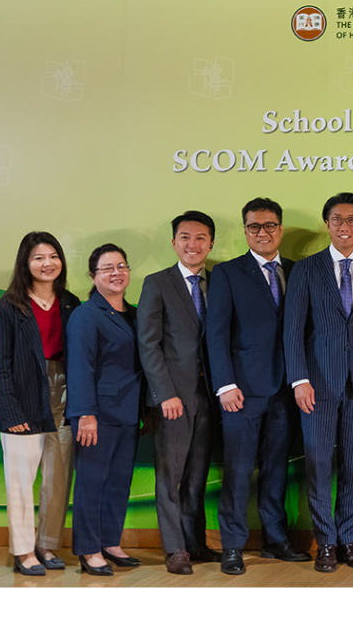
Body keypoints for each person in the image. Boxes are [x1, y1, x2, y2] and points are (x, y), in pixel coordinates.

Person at [284, 193, 353, 573]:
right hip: (317, 385)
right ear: (326, 224)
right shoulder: (307, 269)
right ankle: (324, 543)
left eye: (352, 219)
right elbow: (293, 330)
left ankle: (347, 540)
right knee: (317, 464)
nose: (344, 226)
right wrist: (299, 379)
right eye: (336, 219)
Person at [206, 197, 308, 575]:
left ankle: (275, 539)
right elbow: (215, 335)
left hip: (286, 388)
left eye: (269, 226)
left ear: (280, 229)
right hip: (242, 391)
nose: (262, 233)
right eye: (254, 227)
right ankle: (232, 544)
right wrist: (225, 385)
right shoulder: (228, 274)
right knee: (237, 469)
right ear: (245, 230)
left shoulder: (297, 271)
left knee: (277, 468)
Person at [0, 231, 80, 576]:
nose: (48, 263)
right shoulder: (9, 307)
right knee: (21, 480)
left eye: (53, 256)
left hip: (65, 395)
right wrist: (10, 411)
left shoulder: (71, 303)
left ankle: (46, 545)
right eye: (39, 258)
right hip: (25, 398)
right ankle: (24, 551)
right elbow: (1, 365)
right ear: (25, 264)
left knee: (58, 479)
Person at [138, 210, 221, 575]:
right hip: (173, 397)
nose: (193, 244)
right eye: (185, 237)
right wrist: (164, 394)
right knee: (170, 475)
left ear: (211, 243)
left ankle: (195, 542)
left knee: (198, 473)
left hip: (210, 395)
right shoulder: (157, 283)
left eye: (201, 237)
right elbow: (148, 344)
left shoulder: (219, 281)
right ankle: (174, 549)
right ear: (174, 243)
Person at [66, 243, 143, 576]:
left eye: (122, 265)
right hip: (96, 415)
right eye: (107, 268)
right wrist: (85, 413)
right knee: (91, 483)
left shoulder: (137, 312)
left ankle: (111, 542)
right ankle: (88, 549)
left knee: (119, 482)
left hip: (128, 412)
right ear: (93, 276)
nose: (116, 272)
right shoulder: (85, 315)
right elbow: (80, 367)